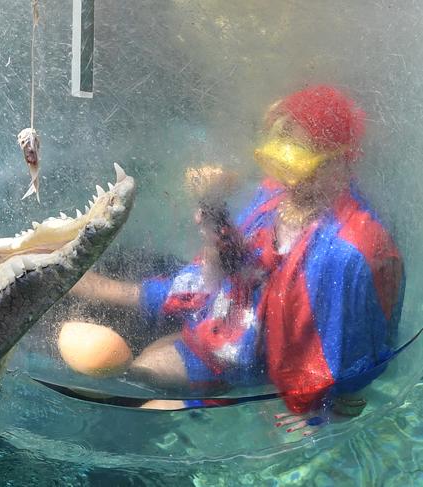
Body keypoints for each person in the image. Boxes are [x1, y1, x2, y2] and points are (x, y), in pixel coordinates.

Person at [62, 85, 405, 414]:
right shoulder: (276, 197)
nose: (293, 183)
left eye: (306, 170)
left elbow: (350, 346)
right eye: (282, 166)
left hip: (257, 357)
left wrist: (320, 408)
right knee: (138, 372)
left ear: (341, 164)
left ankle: (150, 381)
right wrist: (212, 204)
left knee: (141, 384)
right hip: (232, 327)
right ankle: (118, 327)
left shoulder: (348, 249)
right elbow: (232, 264)